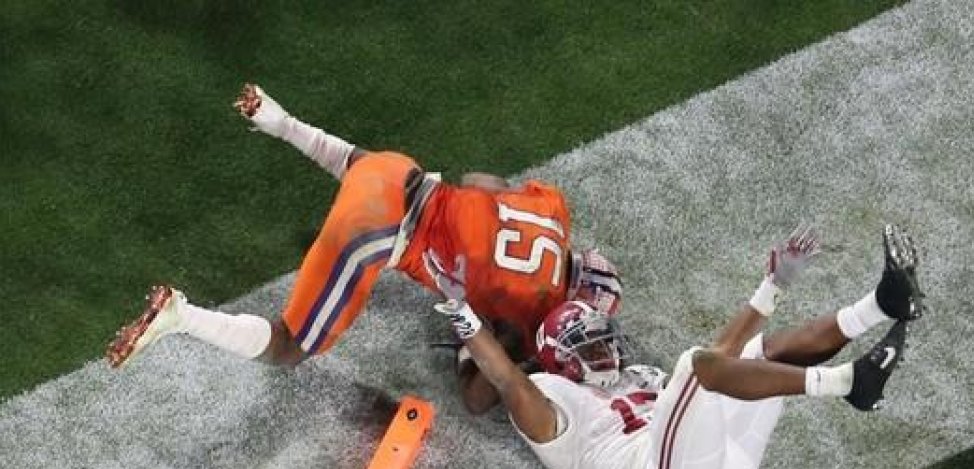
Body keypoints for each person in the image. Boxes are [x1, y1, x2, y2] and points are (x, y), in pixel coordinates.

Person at [106, 84, 621, 414]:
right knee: (290, 347)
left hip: (397, 172)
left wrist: (476, 242)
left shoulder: (553, 210)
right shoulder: (533, 317)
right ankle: (180, 316)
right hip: (380, 227)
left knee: (365, 168)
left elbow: (480, 180)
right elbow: (478, 397)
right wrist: (517, 352)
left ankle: (278, 121)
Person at [421, 223, 925, 469]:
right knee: (695, 366)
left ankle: (881, 305)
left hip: (721, 464)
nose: (603, 351)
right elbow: (506, 380)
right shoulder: (549, 398)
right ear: (559, 362)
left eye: (600, 338)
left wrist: (773, 285)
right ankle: (847, 384)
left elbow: (722, 355)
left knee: (749, 356)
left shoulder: (635, 374)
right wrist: (461, 313)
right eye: (587, 346)